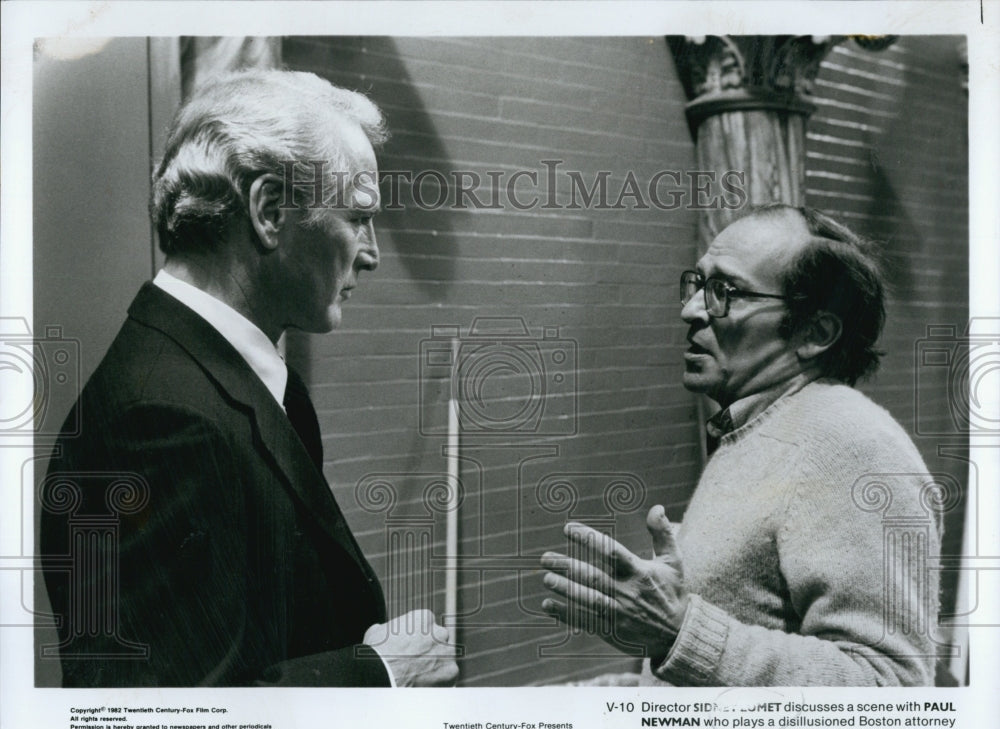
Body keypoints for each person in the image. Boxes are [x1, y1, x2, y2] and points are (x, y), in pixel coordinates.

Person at [39, 69, 457, 688]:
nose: (370, 253)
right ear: (268, 210)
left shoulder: (226, 380)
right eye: (358, 217)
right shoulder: (159, 423)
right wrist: (381, 674)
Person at [541, 205, 941, 686]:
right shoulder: (758, 426)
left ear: (815, 333)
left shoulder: (852, 448)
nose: (690, 310)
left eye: (724, 292)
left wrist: (678, 634)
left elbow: (892, 689)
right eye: (699, 284)